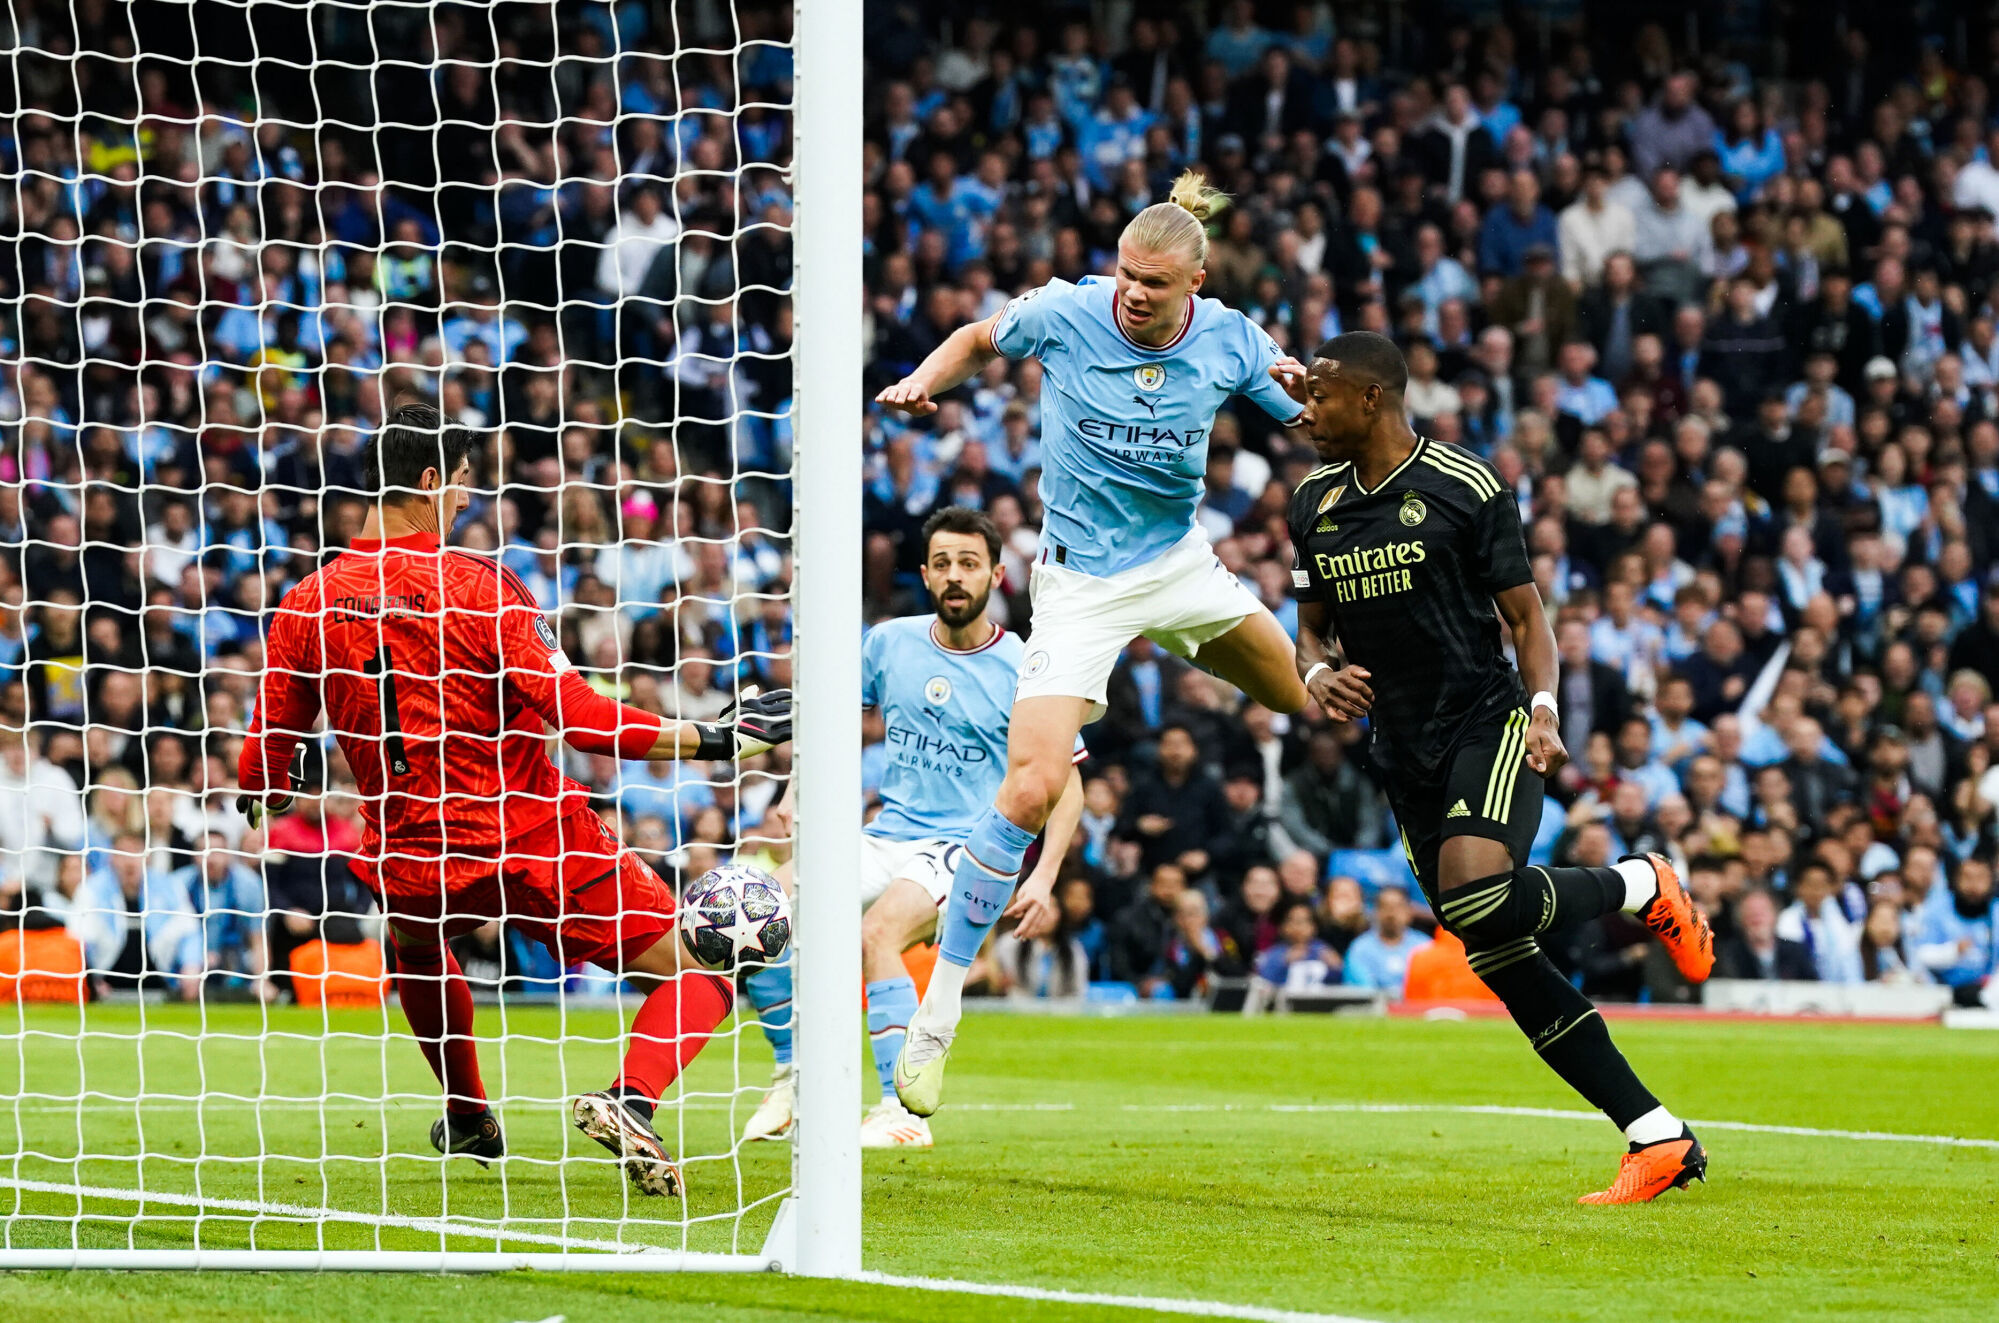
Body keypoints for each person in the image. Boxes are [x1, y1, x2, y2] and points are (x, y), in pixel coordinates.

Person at [235, 403, 794, 1198]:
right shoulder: (477, 585)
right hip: (533, 834)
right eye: (461, 485)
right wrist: (719, 737)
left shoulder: (306, 603)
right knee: (704, 966)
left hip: (413, 853)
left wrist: (264, 785)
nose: (464, 501)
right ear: (430, 481)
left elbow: (265, 754)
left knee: (417, 957)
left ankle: (468, 1111)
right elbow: (585, 720)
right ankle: (629, 1096)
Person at [876, 171, 1311, 1116]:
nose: (1132, 291)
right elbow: (974, 339)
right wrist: (922, 382)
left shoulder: (1232, 340)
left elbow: (1314, 416)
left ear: (1193, 283)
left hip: (1175, 566)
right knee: (1029, 786)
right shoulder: (1066, 314)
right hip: (1076, 583)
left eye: (1153, 281)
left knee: (1295, 694)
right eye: (1124, 272)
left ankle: (1184, 643)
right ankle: (939, 1010)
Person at [1277, 330, 1714, 1205]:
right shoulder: (1311, 502)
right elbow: (1310, 628)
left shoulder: (1464, 485)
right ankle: (1655, 1135)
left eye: (1320, 396)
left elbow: (1526, 617)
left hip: (1485, 719)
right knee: (1494, 947)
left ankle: (1638, 883)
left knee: (1477, 895)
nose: (1305, 410)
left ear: (1371, 398)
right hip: (1400, 750)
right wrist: (1318, 672)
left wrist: (1543, 709)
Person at [739, 508, 1084, 1148]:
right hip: (887, 833)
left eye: (970, 564)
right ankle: (794, 1077)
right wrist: (793, 788)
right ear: (925, 575)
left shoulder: (1027, 666)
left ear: (997, 575)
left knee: (876, 934)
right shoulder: (889, 642)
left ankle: (899, 1113)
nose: (956, 577)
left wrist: (1045, 877)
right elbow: (828, 718)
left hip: (968, 847)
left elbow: (1068, 782)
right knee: (754, 913)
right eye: (944, 564)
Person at [1340, 884, 1431, 991]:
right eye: (1384, 907)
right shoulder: (1360, 948)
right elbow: (1363, 991)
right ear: (1375, 912)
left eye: (1398, 907)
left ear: (1409, 912)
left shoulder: (1425, 947)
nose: (1391, 914)